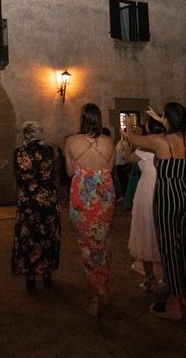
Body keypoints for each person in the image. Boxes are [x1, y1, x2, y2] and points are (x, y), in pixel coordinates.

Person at [124, 103, 186, 321]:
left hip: (169, 195)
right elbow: (176, 129)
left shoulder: (159, 141)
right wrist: (165, 121)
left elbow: (133, 140)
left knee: (170, 248)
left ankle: (175, 304)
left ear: (167, 120)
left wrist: (129, 127)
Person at [64, 103, 116, 316]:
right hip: (104, 197)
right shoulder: (109, 142)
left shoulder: (71, 142)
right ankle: (101, 286)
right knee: (102, 242)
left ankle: (95, 295)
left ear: (82, 119)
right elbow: (109, 171)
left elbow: (69, 172)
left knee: (87, 245)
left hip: (82, 200)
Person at [11, 121, 61, 290]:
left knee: (28, 234)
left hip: (28, 197)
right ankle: (47, 273)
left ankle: (30, 275)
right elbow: (53, 172)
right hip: (47, 195)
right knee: (47, 233)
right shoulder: (48, 151)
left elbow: (19, 177)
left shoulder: (19, 152)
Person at [125, 117, 166, 293]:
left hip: (147, 190)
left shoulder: (145, 147)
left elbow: (127, 158)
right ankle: (167, 276)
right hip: (163, 188)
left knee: (146, 233)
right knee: (162, 231)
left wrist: (127, 137)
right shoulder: (167, 144)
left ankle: (150, 278)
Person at [123, 124, 144, 211]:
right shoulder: (134, 141)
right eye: (136, 130)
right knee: (132, 183)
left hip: (142, 164)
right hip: (135, 163)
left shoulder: (143, 140)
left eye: (139, 130)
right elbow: (130, 154)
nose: (137, 131)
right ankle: (129, 204)